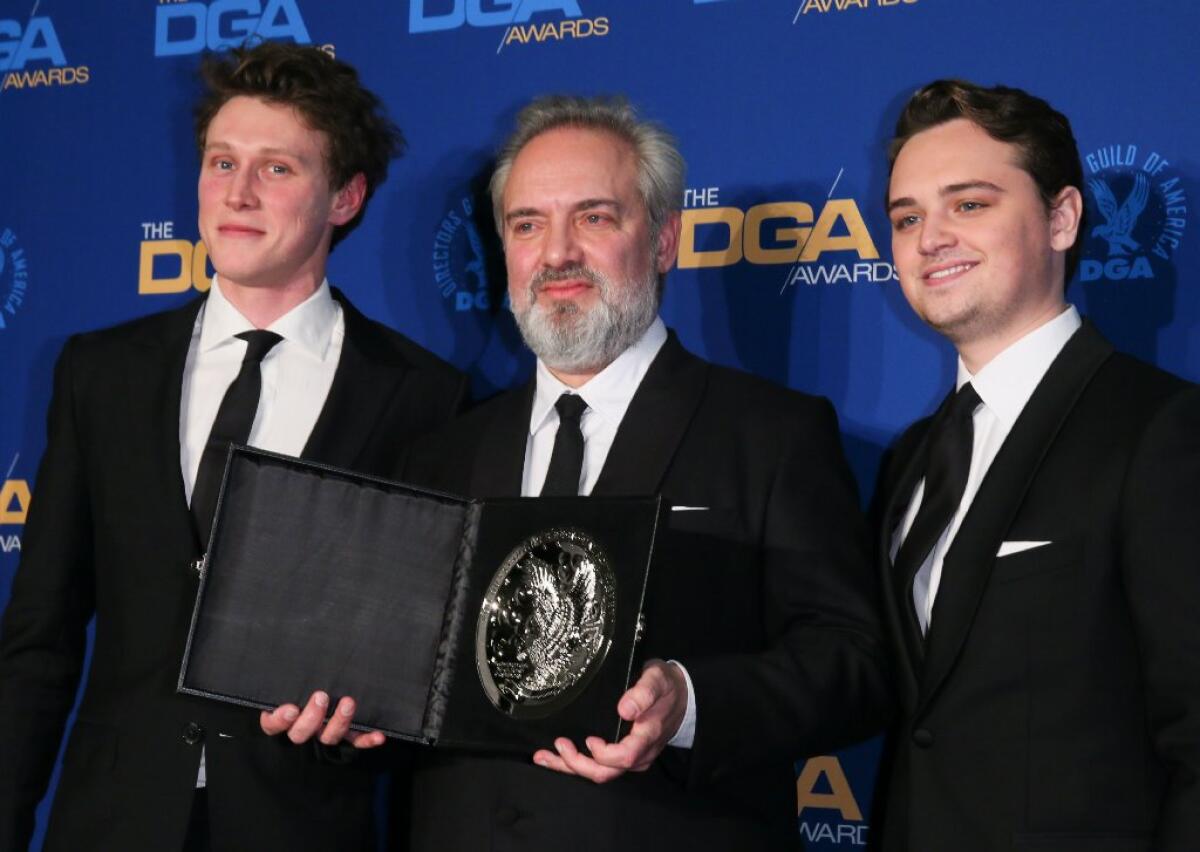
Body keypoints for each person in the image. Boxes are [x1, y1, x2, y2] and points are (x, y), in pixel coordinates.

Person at [0, 42, 465, 852]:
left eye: (277, 168)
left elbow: (428, 657)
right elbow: (41, 632)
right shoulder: (101, 373)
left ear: (346, 197)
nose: (237, 194)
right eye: (221, 162)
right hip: (113, 820)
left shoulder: (424, 396)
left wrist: (372, 727)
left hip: (306, 823)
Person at [395, 95, 889, 850]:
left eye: (594, 217)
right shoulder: (440, 454)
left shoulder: (772, 435)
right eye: (528, 224)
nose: (556, 253)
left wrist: (691, 703)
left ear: (663, 240)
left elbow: (852, 663)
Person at [875, 79, 1200, 850]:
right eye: (907, 217)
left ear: (1061, 218)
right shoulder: (912, 461)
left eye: (970, 204)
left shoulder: (1161, 430)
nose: (930, 238)